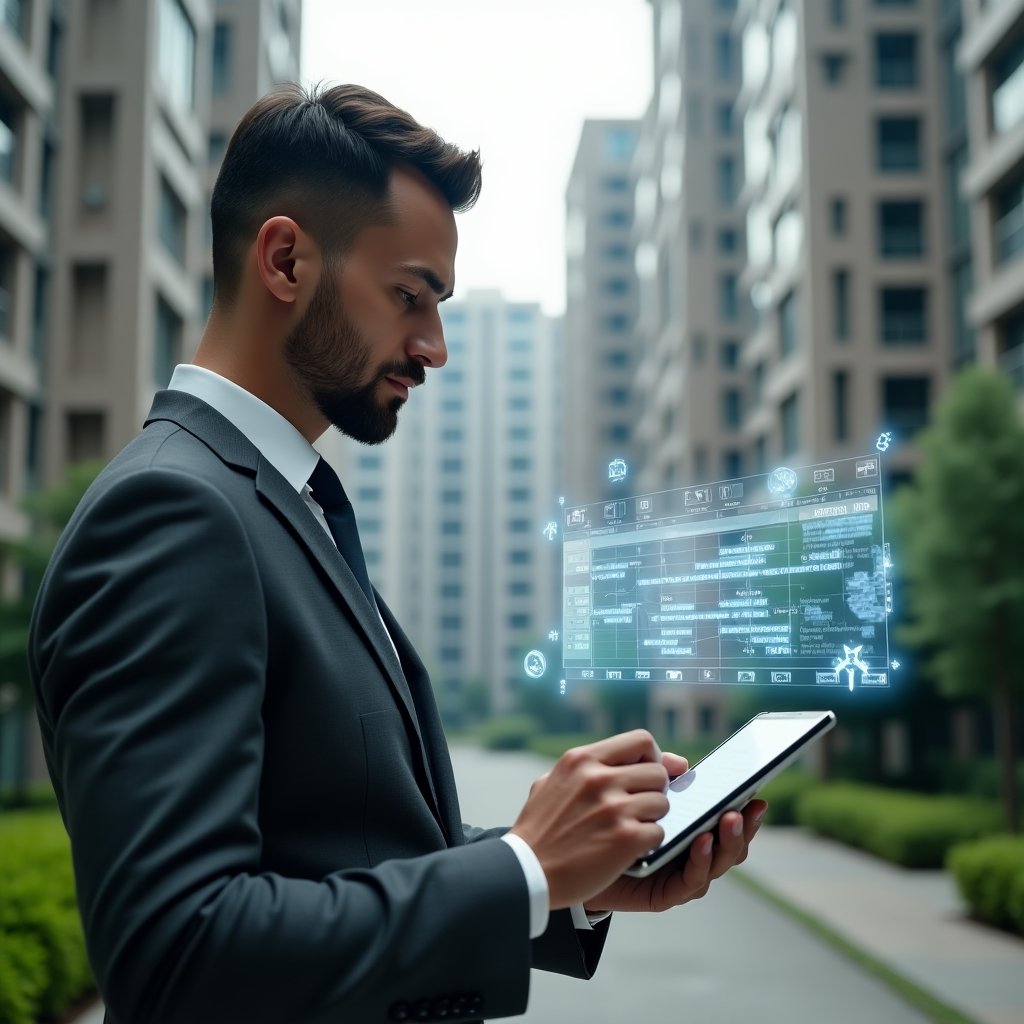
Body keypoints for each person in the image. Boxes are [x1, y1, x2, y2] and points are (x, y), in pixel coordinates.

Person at [29, 83, 766, 1024]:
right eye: (410, 295)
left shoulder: (277, 503)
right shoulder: (173, 513)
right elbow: (178, 953)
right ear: (286, 259)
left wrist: (571, 884)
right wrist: (522, 868)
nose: (436, 346)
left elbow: (349, 850)